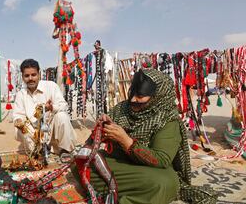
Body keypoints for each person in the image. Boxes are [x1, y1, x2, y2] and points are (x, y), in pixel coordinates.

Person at [75, 69, 217, 204]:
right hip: (117, 163)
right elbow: (91, 144)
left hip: (148, 170)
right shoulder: (122, 108)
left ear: (157, 96)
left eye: (140, 96)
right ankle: (127, 191)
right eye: (132, 94)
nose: (134, 99)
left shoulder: (167, 119)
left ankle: (124, 196)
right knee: (82, 165)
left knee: (166, 183)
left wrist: (126, 141)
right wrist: (104, 130)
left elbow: (161, 159)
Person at [13, 59, 77, 155]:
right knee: (19, 127)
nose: (30, 78)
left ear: (39, 74)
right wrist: (19, 122)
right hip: (33, 132)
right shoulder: (20, 95)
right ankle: (37, 150)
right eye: (27, 76)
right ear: (22, 77)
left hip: (51, 129)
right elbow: (18, 115)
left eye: (33, 75)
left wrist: (51, 108)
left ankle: (66, 150)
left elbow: (63, 106)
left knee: (62, 116)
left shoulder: (51, 86)